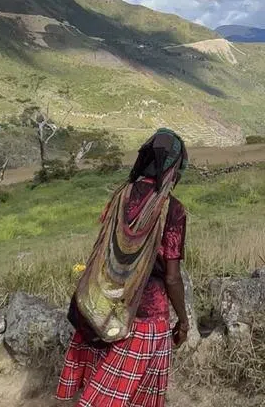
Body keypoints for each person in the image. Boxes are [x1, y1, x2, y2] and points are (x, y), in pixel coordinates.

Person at [57, 128, 190, 407]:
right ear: (173, 168)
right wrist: (184, 321)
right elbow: (172, 278)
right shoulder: (172, 210)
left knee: (103, 390)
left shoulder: (122, 195)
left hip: (102, 307)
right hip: (145, 319)